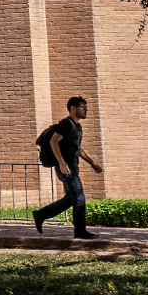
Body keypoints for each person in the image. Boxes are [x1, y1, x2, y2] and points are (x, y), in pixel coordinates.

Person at [33, 96, 103, 239]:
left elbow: (77, 148)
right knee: (79, 199)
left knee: (70, 199)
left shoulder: (77, 126)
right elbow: (54, 141)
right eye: (83, 107)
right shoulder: (66, 124)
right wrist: (61, 162)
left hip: (72, 167)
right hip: (66, 168)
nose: (85, 110)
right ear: (73, 108)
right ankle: (80, 231)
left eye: (86, 108)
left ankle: (40, 214)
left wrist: (91, 162)